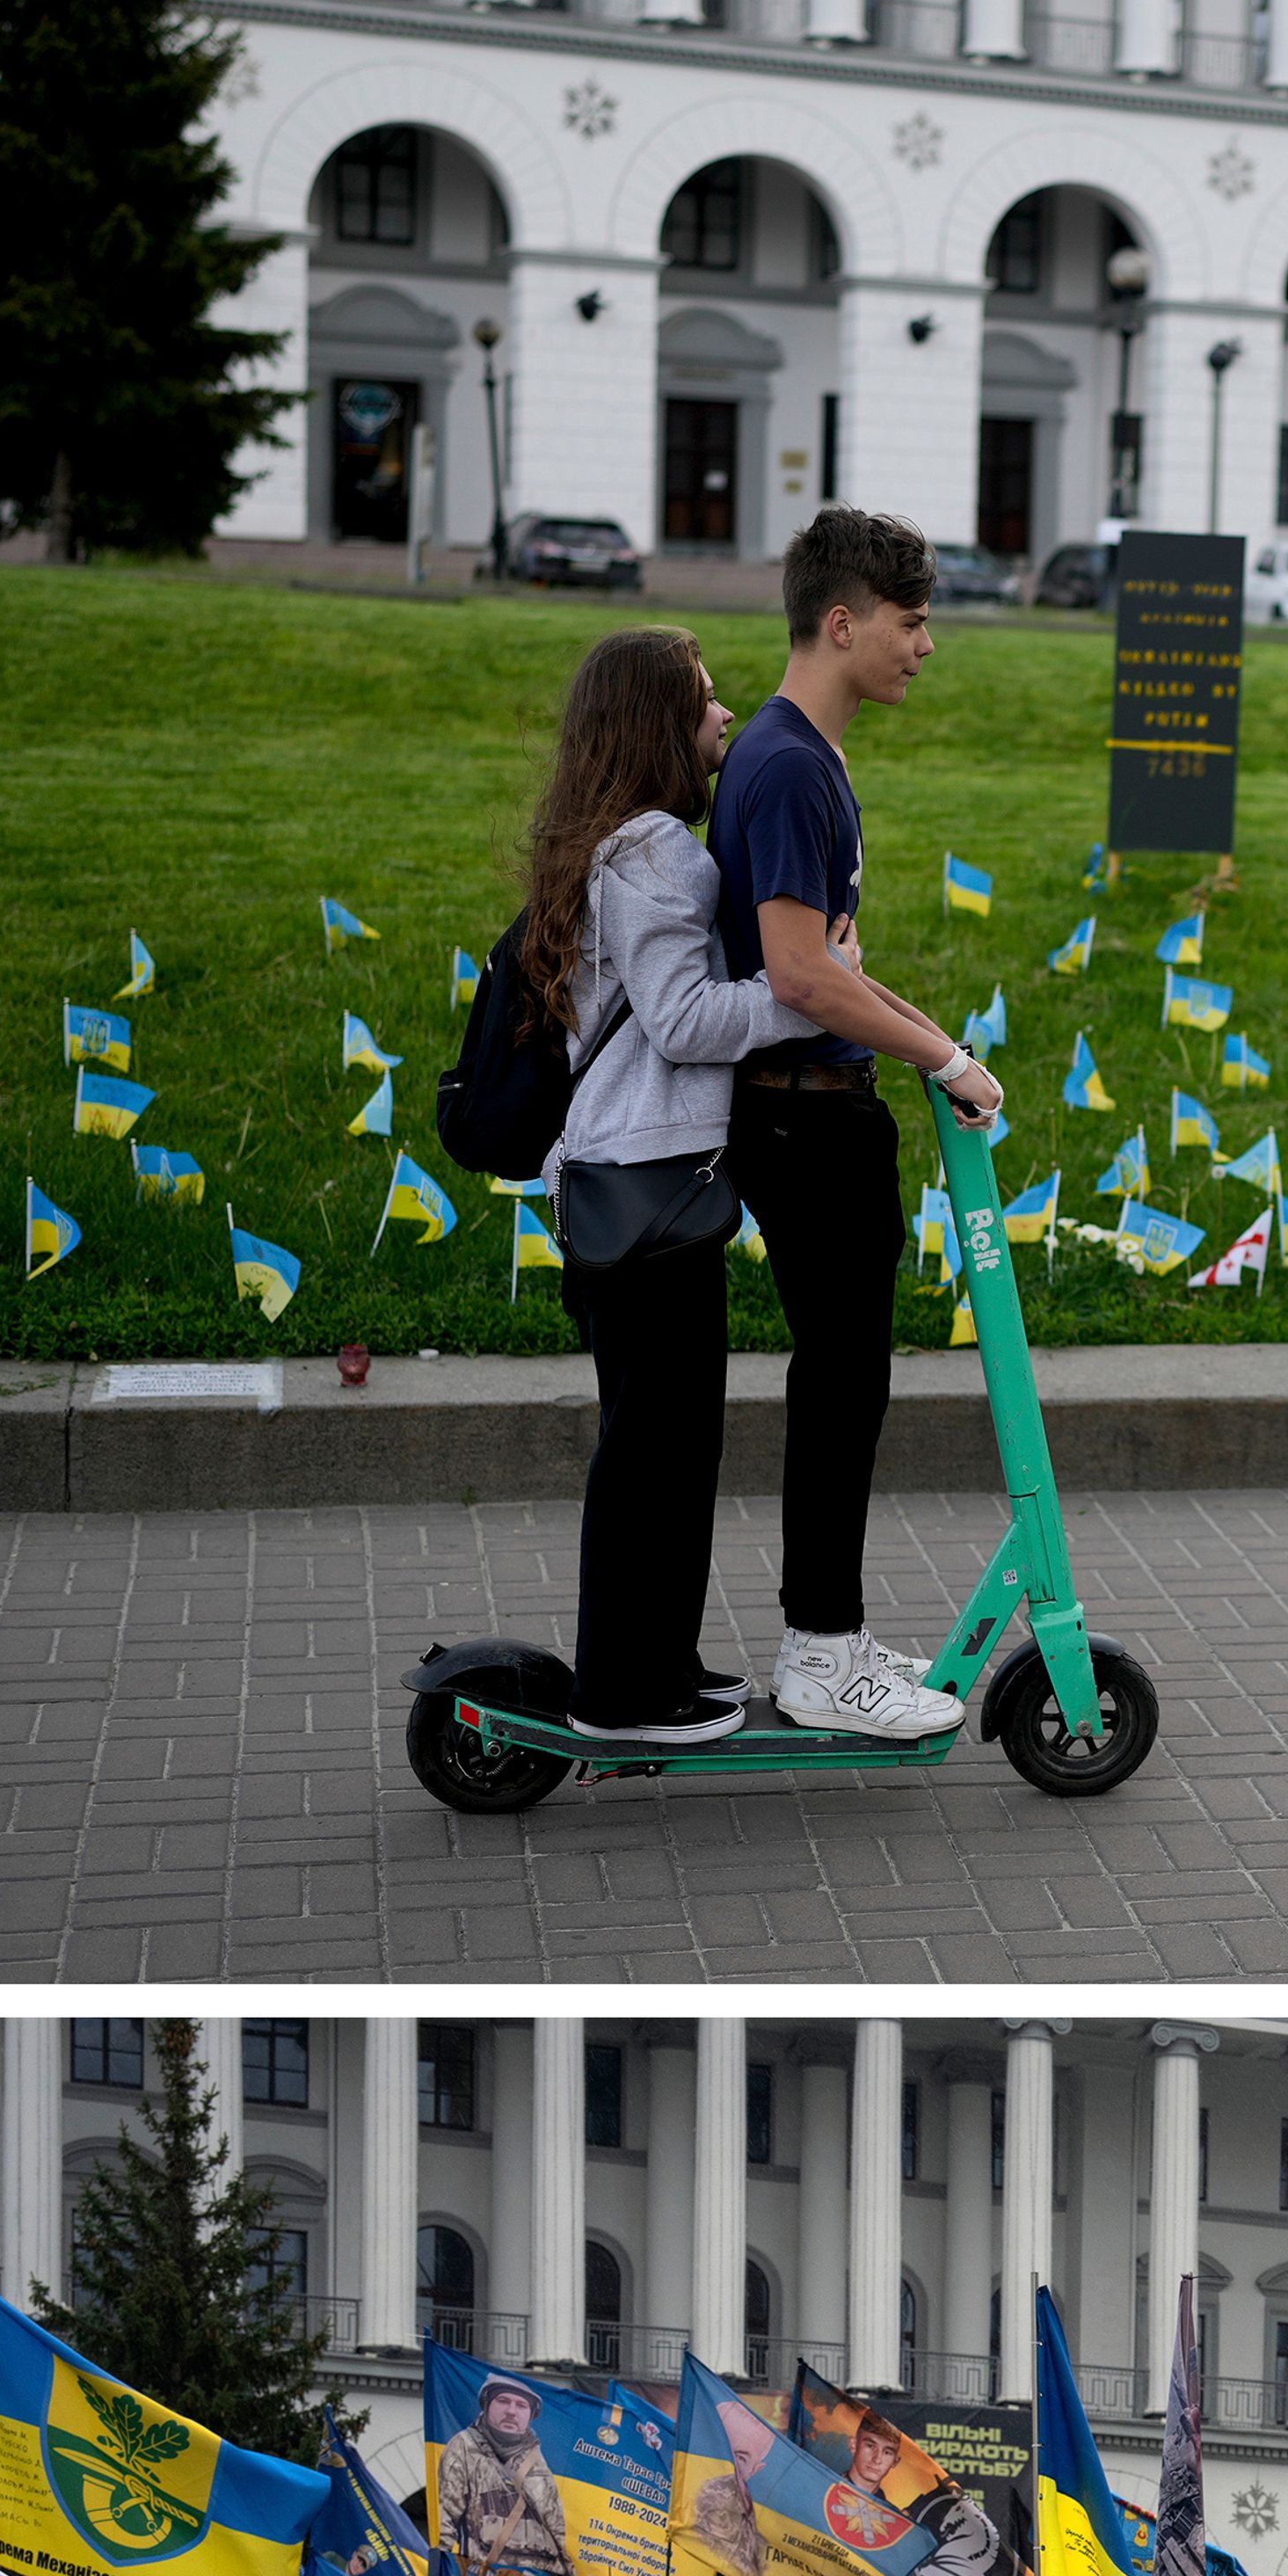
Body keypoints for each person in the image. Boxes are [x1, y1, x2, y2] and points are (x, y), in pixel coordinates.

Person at [712, 508, 1006, 1740]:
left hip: (825, 1111)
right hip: (802, 1124)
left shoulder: (800, 757)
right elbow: (797, 974)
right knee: (843, 1388)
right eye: (912, 620)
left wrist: (943, 1050)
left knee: (853, 1382)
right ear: (843, 622)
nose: (925, 647)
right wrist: (938, 1049)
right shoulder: (785, 765)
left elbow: (833, 965)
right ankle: (822, 1658)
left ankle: (828, 1636)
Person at [522, 627, 789, 1748]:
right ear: (655, 725)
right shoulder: (654, 852)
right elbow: (684, 1022)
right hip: (647, 1191)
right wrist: (812, 993)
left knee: (666, 1443)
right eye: (706, 701)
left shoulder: (615, 844)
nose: (725, 718)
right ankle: (627, 1695)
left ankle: (660, 1665)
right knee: (654, 1453)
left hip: (627, 1183)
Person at [433, 2377, 570, 2576]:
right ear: (487, 2405)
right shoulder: (463, 2447)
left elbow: (558, 2532)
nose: (511, 2411)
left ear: (531, 2416)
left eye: (521, 2405)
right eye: (503, 2401)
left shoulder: (538, 2463)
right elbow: (445, 2520)